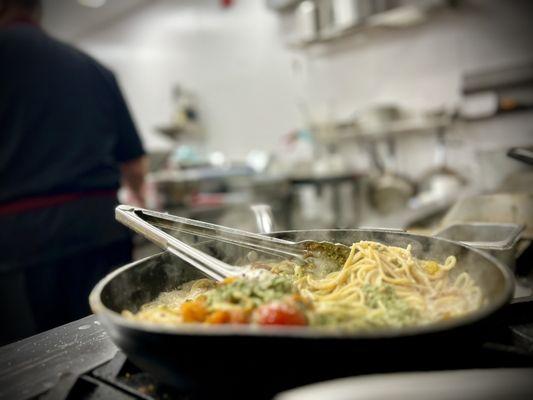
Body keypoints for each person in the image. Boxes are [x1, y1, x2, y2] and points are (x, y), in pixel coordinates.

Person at [0, 0, 147, 345]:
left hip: (19, 246)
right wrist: (138, 195)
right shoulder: (93, 67)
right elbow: (135, 164)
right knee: (110, 345)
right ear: (38, 11)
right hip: (100, 233)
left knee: (30, 364)